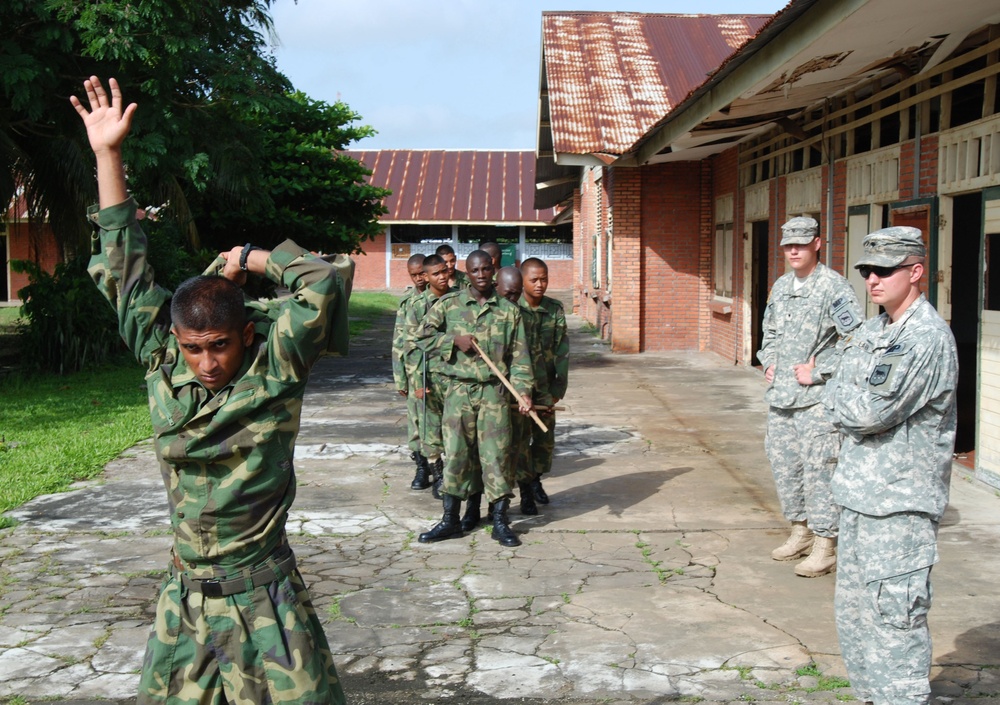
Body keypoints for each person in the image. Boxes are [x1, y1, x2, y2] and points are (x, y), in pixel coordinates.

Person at [73, 77, 349, 704]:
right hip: (187, 604)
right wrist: (107, 156)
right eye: (193, 348)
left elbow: (322, 283)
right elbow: (123, 268)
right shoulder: (160, 360)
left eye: (220, 345)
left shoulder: (275, 366)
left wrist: (249, 257)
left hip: (266, 599)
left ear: (247, 335)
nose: (206, 363)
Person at [825, 226, 957, 705]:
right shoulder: (874, 330)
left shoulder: (926, 338)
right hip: (859, 498)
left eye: (884, 270)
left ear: (916, 271)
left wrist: (841, 397)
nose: (872, 280)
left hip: (900, 507)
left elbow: (866, 412)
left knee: (894, 623)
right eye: (866, 271)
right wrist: (842, 396)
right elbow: (841, 392)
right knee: (857, 621)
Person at [756, 217, 864, 577]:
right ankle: (799, 530)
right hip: (781, 398)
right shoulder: (782, 286)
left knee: (820, 469)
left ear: (818, 243)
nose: (794, 251)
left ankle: (825, 544)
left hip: (816, 400)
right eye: (788, 245)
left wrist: (818, 372)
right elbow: (768, 330)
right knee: (785, 466)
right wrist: (768, 360)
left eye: (801, 244)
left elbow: (854, 341)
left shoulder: (835, 287)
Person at [415, 251, 534, 547]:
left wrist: (524, 392)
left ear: (493, 270)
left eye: (485, 269)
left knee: (497, 456)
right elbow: (421, 336)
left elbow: (519, 358)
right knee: (456, 455)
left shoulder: (509, 311)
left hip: (494, 391)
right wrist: (453, 340)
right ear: (466, 273)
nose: (481, 275)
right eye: (474, 270)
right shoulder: (449, 304)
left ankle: (499, 520)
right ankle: (450, 519)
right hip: (458, 391)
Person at [517, 258, 569, 512]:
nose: (540, 284)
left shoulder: (554, 309)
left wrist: (557, 392)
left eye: (544, 279)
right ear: (522, 280)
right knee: (519, 441)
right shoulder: (511, 308)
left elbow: (562, 352)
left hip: (546, 389)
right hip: (519, 390)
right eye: (534, 280)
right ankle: (525, 490)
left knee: (543, 441)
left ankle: (536, 480)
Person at [402, 253, 454, 497]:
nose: (443, 277)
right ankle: (437, 473)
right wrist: (416, 382)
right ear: (426, 277)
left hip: (453, 375)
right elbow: (410, 347)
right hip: (428, 376)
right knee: (428, 428)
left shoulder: (459, 300)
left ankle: (455, 474)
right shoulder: (416, 305)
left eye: (445, 271)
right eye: (437, 273)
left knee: (454, 428)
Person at [393, 253, 432, 489]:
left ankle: (441, 469)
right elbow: (398, 342)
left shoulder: (442, 297)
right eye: (413, 275)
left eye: (421, 274)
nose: (418, 279)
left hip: (436, 371)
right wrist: (400, 378)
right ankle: (421, 467)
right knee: (416, 423)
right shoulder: (407, 301)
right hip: (413, 370)